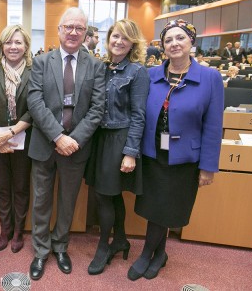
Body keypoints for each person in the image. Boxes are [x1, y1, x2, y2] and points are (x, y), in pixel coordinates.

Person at [129, 19, 223, 281]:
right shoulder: (150, 75)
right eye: (168, 40)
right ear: (161, 46)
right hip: (153, 153)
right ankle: (159, 254)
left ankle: (148, 253)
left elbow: (214, 126)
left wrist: (208, 166)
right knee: (154, 206)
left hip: (185, 158)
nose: (174, 44)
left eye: (180, 38)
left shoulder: (210, 78)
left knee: (168, 207)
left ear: (192, 42)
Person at [27, 7, 105, 280]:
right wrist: (58, 136)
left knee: (68, 200)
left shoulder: (95, 65)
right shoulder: (41, 62)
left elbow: (97, 108)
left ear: (86, 33)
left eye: (79, 28)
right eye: (68, 27)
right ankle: (40, 250)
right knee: (41, 200)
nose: (73, 32)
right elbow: (34, 101)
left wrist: (74, 139)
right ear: (59, 30)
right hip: (45, 143)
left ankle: (60, 246)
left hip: (76, 147)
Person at [85, 19, 149, 275]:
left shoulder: (137, 71)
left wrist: (130, 152)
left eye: (125, 38)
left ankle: (104, 246)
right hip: (100, 138)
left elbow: (139, 115)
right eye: (115, 36)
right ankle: (120, 239)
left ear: (132, 42)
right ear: (108, 39)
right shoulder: (102, 68)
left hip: (120, 139)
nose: (119, 42)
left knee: (104, 194)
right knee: (110, 194)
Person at [0, 25, 33, 254]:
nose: (13, 47)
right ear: (1, 46)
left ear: (26, 46)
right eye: (9, 42)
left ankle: (19, 231)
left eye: (18, 42)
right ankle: (5, 229)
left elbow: (35, 108)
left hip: (24, 137)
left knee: (20, 186)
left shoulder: (34, 70)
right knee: (2, 186)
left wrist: (11, 133)